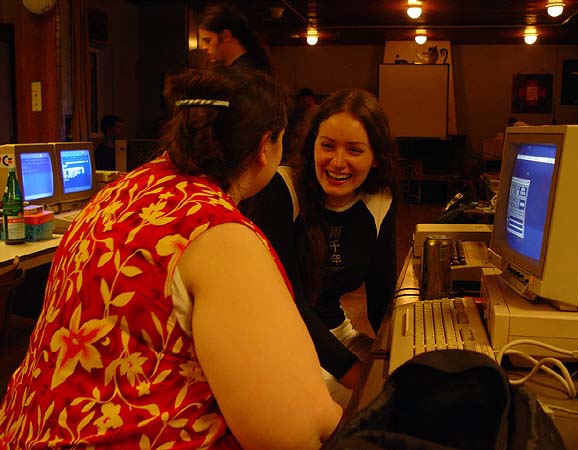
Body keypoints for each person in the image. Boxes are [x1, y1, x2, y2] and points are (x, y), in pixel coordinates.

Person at [0, 67, 342, 449]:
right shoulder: (217, 232)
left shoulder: (118, 192)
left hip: (27, 429)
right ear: (266, 146)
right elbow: (292, 433)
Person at [243, 88, 400, 406]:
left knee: (410, 393)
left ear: (375, 158)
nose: (337, 162)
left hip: (336, 336)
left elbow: (382, 301)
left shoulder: (380, 200)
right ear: (312, 144)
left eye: (354, 150)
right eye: (327, 146)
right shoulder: (280, 188)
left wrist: (401, 354)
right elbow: (286, 304)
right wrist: (353, 372)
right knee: (367, 406)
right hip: (277, 343)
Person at [198, 3, 273, 73]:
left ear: (226, 36)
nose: (203, 47)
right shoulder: (249, 65)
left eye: (208, 41)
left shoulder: (243, 74)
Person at [284, 87, 319, 162]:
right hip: (301, 144)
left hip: (307, 145)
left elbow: (307, 130)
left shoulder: (317, 111)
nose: (301, 101)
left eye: (302, 98)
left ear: (308, 97)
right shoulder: (305, 111)